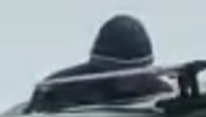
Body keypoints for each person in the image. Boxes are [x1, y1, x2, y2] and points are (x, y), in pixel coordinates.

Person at [27, 14, 173, 112]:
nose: (130, 81)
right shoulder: (61, 91)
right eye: (119, 73)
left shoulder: (158, 94)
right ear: (101, 68)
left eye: (138, 72)